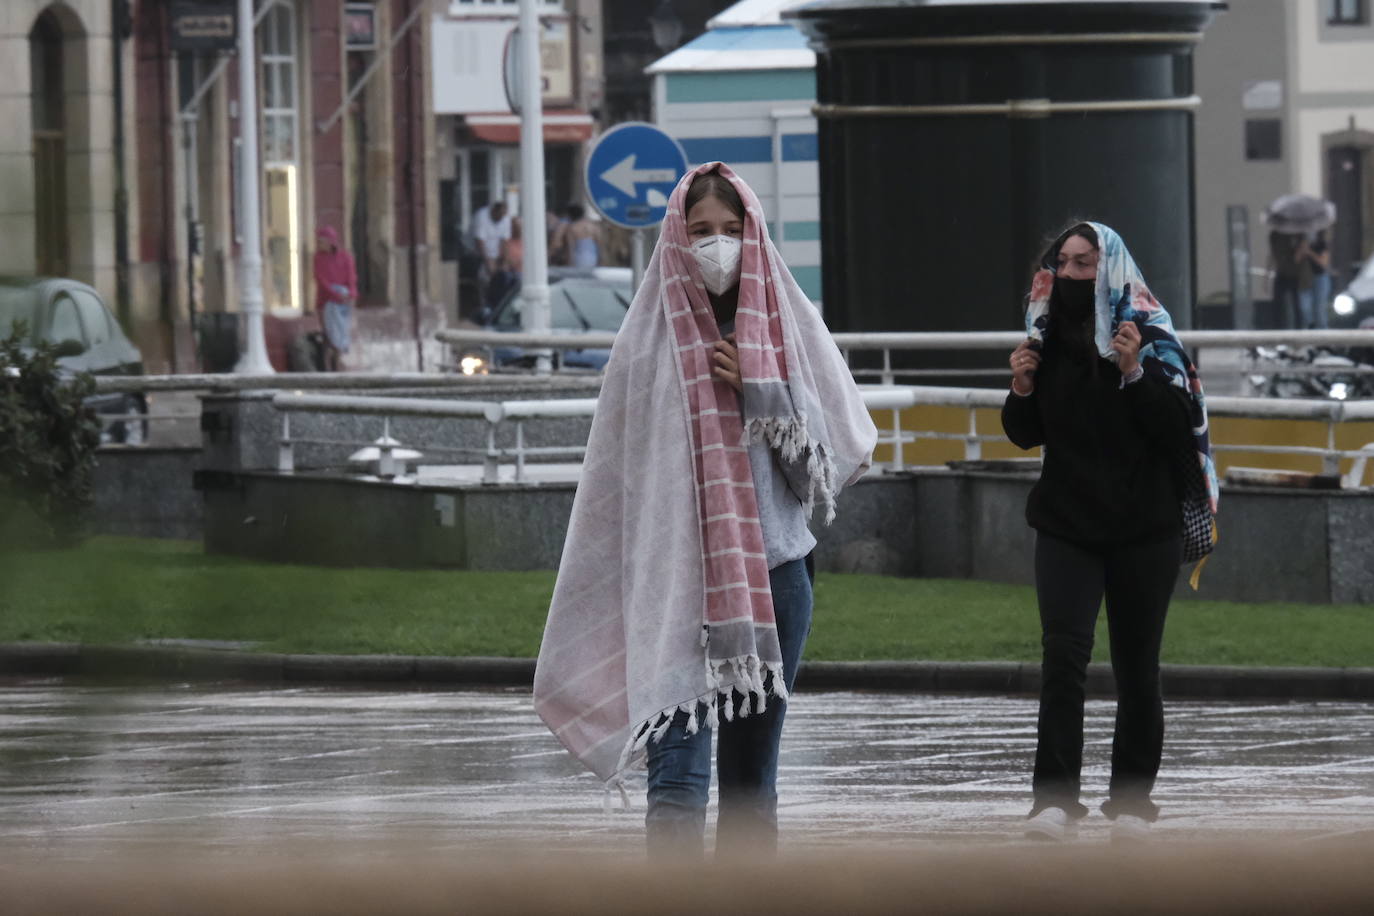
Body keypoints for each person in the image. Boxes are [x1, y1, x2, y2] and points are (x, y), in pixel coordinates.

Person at [533, 163, 876, 860]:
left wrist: (764, 391)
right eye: (700, 233)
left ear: (754, 235)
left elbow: (824, 474)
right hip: (672, 588)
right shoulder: (645, 344)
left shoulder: (786, 327)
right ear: (675, 239)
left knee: (752, 785)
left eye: (731, 231)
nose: (717, 247)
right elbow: (619, 484)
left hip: (772, 580)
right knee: (677, 779)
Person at [1001, 222, 1218, 845]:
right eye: (1063, 264)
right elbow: (1026, 432)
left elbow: (1180, 428)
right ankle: (1053, 800)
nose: (1073, 276)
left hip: (1144, 527)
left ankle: (1130, 802)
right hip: (1067, 521)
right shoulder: (1044, 341)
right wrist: (1020, 387)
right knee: (1063, 655)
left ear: (1112, 268)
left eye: (1085, 263)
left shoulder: (1150, 336)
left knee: (1136, 664)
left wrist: (1132, 369)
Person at [312, 226, 357, 371]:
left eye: (322, 241)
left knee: (340, 335)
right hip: (326, 302)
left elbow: (351, 278)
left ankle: (337, 369)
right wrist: (335, 295)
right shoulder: (318, 258)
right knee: (328, 337)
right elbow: (321, 280)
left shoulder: (345, 257)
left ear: (331, 242)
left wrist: (351, 294)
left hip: (343, 303)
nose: (319, 245)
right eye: (318, 241)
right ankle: (328, 371)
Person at [473, 200, 513, 311]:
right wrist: (488, 263)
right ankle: (483, 307)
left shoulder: (505, 219)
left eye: (503, 215)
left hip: (496, 255)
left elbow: (504, 242)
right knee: (484, 278)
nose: (501, 218)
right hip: (479, 254)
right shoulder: (482, 216)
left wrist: (504, 261)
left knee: (502, 277)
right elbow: (479, 242)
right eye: (499, 215)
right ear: (494, 211)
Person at [1268, 230, 1305, 329]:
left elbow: (1299, 257)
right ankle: (1277, 329)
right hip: (1281, 273)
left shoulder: (1298, 234)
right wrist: (1267, 275)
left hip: (1295, 274)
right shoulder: (1274, 235)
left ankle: (1299, 330)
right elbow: (1273, 255)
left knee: (1297, 305)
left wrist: (1299, 246)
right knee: (1278, 305)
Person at [1298, 229, 1332, 329]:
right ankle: (1309, 328)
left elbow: (1323, 263)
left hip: (1320, 277)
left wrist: (1309, 252)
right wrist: (1302, 248)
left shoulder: (1322, 243)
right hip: (1304, 278)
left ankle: (1323, 334)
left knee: (1319, 308)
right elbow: (1296, 260)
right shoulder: (1300, 242)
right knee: (1305, 307)